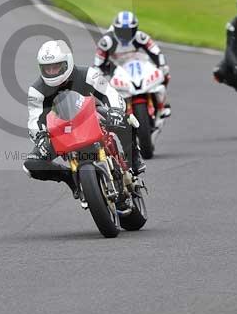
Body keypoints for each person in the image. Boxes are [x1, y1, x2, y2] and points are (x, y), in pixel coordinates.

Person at [24, 40, 147, 197]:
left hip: (93, 116)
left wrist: (115, 111)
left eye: (56, 67)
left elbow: (109, 92)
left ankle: (133, 157)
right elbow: (34, 118)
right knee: (31, 164)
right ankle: (68, 177)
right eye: (47, 68)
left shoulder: (88, 74)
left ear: (67, 62)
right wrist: (40, 136)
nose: (52, 72)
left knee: (127, 120)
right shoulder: (36, 90)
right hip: (61, 129)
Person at [93, 11, 171, 118]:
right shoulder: (107, 41)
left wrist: (161, 65)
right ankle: (112, 113)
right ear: (116, 29)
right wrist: (101, 75)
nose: (126, 35)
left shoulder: (140, 37)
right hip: (116, 70)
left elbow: (156, 52)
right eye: (122, 31)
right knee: (100, 86)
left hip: (137, 66)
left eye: (130, 31)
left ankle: (163, 105)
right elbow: (98, 64)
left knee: (165, 71)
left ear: (135, 29)